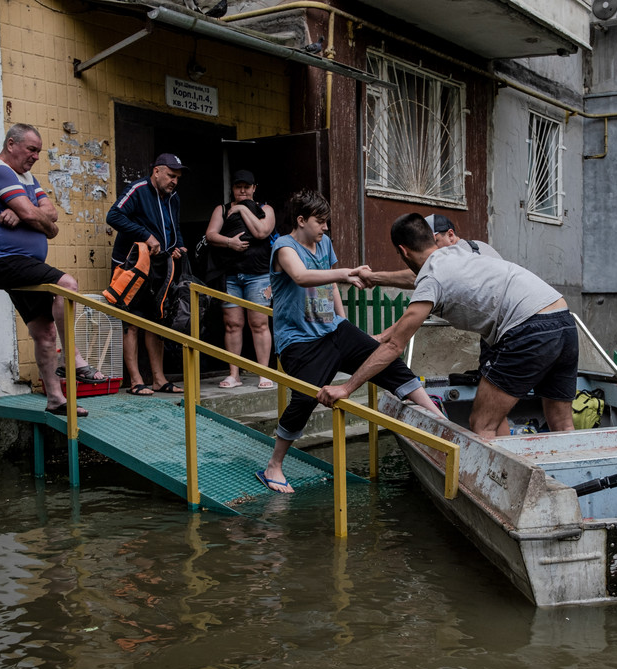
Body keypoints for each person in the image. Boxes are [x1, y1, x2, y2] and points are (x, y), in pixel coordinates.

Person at [318, 213, 578, 440]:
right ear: (432, 239)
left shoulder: (432, 278)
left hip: (528, 328)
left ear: (403, 251)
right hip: (563, 319)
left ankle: (497, 492)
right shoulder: (457, 253)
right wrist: (375, 278)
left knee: (482, 424)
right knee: (562, 424)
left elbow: (396, 345)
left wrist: (346, 387)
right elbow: (415, 278)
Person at [257, 191, 441, 493]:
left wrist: (343, 321)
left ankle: (439, 420)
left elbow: (330, 286)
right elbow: (302, 277)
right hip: (299, 341)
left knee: (387, 362)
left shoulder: (324, 243)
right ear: (302, 220)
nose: (326, 228)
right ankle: (273, 466)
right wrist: (348, 273)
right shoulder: (283, 247)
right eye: (321, 222)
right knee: (304, 399)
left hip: (334, 329)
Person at [0, 123, 108, 416]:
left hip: (26, 264)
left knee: (44, 332)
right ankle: (73, 359)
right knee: (67, 285)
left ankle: (55, 400)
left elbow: (52, 216)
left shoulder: (27, 178)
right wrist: (30, 214)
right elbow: (34, 214)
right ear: (11, 144)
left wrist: (28, 214)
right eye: (31, 149)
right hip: (3, 261)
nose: (35, 156)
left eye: (38, 151)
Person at [105, 153, 189, 396]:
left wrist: (178, 247)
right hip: (132, 266)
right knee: (131, 322)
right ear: (157, 171)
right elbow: (114, 215)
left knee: (157, 320)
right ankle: (135, 380)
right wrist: (145, 235)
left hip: (161, 267)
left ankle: (159, 379)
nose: (174, 181)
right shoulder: (138, 189)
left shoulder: (174, 198)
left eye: (177, 177)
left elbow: (175, 228)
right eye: (171, 175)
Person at [203, 169, 277, 389]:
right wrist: (229, 243)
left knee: (259, 323)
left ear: (254, 188)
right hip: (230, 275)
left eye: (247, 186)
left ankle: (263, 373)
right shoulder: (222, 209)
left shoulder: (266, 209)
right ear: (232, 189)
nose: (242, 190)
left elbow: (262, 233)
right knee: (232, 324)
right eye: (238, 187)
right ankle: (233, 374)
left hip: (260, 275)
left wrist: (242, 209)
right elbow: (210, 235)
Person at [356, 213, 500, 289]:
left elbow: (419, 277)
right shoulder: (476, 247)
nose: (430, 250)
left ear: (450, 235)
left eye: (434, 242)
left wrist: (373, 277)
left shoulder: (465, 251)